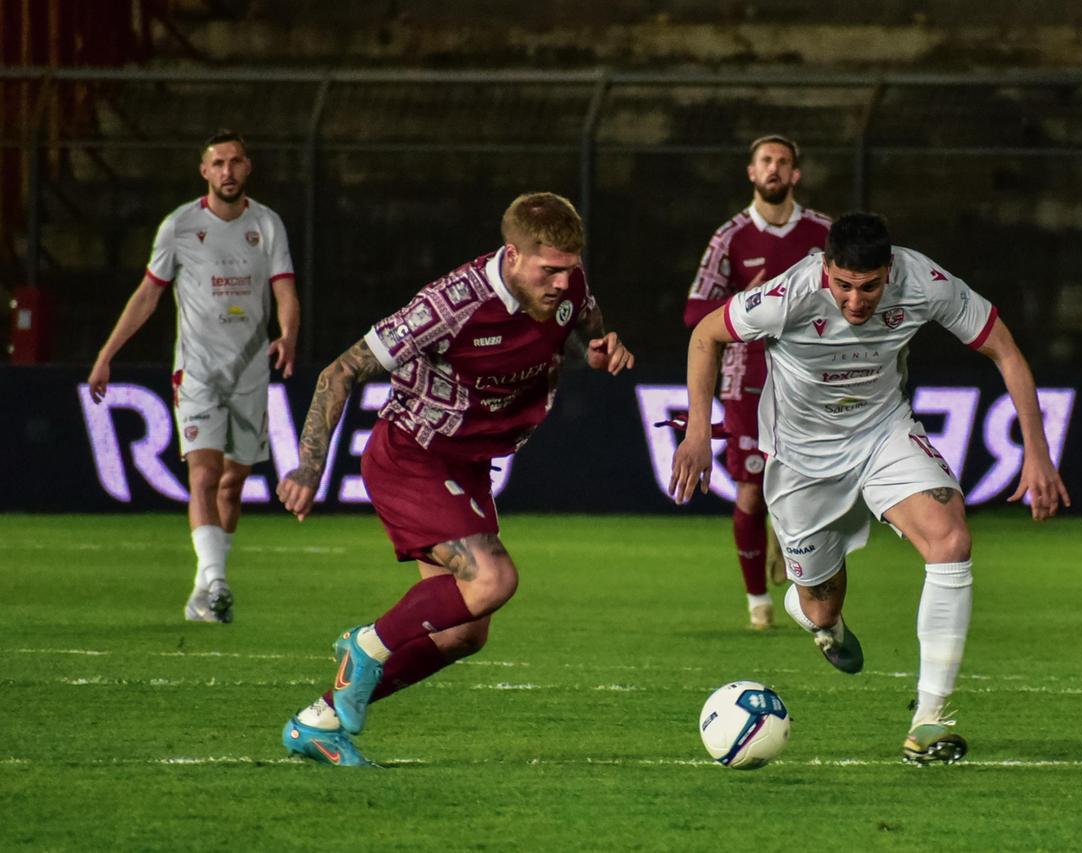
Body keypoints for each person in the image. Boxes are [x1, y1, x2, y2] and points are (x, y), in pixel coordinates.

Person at [669, 212, 1069, 765]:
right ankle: (817, 620)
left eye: (870, 286)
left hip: (883, 436)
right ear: (826, 269)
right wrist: (696, 433)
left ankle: (929, 719)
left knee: (950, 538)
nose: (855, 301)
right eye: (843, 285)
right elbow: (705, 334)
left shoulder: (924, 282)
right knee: (823, 603)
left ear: (891, 270)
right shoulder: (790, 294)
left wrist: (1038, 452)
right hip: (801, 461)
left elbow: (1004, 348)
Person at [276, 192, 634, 766]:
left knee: (462, 635)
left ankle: (316, 723)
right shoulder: (450, 304)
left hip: (464, 466)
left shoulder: (568, 283)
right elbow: (339, 370)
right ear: (512, 255)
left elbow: (585, 331)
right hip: (411, 457)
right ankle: (363, 646)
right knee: (492, 581)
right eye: (550, 271)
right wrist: (309, 466)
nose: (564, 283)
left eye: (570, 269)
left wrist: (600, 351)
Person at [88, 129, 299, 625]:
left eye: (236, 162)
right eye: (218, 163)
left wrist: (288, 334)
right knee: (203, 475)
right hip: (197, 370)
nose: (228, 171)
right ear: (204, 171)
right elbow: (148, 295)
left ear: (248, 167)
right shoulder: (180, 226)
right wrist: (106, 354)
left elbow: (285, 287)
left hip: (249, 371)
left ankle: (203, 590)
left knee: (234, 483)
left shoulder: (267, 224)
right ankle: (219, 581)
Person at [684, 134, 831, 630]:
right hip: (748, 382)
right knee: (750, 494)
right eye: (765, 161)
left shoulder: (823, 234)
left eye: (783, 162)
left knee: (807, 495)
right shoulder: (729, 237)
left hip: (811, 383)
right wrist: (740, 305)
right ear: (751, 172)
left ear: (795, 175)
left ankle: (803, 579)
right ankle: (757, 605)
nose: (773, 168)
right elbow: (694, 313)